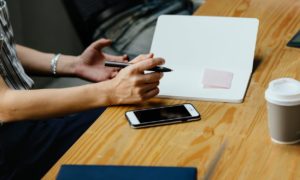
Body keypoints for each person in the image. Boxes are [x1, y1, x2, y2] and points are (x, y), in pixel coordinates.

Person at [0, 0, 164, 179]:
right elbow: (4, 106)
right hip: (11, 144)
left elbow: (4, 47)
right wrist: (111, 91)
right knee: (136, 132)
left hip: (28, 119)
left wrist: (74, 65)